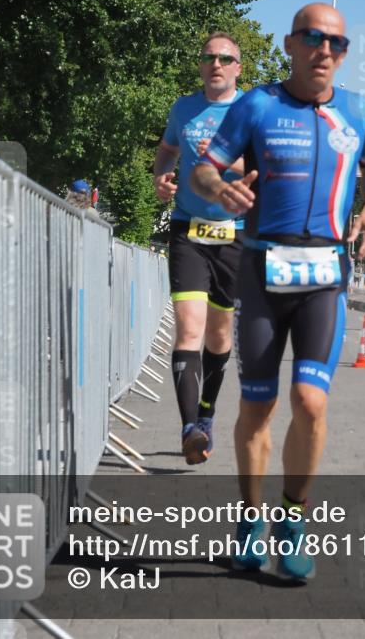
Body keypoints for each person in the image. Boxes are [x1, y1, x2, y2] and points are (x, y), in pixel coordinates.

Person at [191, 2, 365, 581]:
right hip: (262, 270)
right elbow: (206, 168)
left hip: (325, 276)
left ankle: (293, 521)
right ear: (290, 44)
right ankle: (250, 520)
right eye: (313, 38)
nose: (325, 50)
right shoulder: (258, 105)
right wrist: (219, 188)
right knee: (258, 404)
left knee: (311, 401)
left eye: (337, 43)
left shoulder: (360, 112)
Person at [152, 32, 246, 465]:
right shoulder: (183, 108)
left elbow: (268, 165)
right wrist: (162, 176)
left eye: (226, 58)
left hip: (234, 233)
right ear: (201, 65)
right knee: (189, 328)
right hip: (188, 228)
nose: (217, 64)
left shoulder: (252, 111)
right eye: (209, 58)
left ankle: (207, 411)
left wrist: (228, 162)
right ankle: (191, 428)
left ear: (237, 68)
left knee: (219, 334)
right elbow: (168, 149)